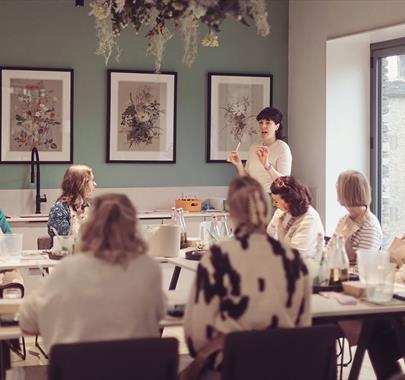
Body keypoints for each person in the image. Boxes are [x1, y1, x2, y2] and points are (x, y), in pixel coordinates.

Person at [183, 176, 310, 379]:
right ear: (268, 211)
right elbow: (303, 327)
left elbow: (196, 336)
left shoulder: (218, 258)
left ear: (232, 213)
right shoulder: (293, 260)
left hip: (231, 367)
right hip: (283, 366)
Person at [19, 193, 166, 352]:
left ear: (90, 225)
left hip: (79, 369)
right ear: (133, 226)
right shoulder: (149, 268)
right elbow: (160, 311)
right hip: (138, 369)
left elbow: (27, 321)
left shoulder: (69, 268)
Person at [227, 106, 292, 194]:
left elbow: (285, 183)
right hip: (253, 198)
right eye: (261, 123)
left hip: (273, 200)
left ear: (277, 126)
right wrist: (239, 165)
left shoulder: (282, 148)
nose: (263, 126)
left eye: (268, 123)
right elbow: (247, 181)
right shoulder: (254, 147)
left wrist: (267, 165)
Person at [327, 170, 382, 264]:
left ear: (347, 193)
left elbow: (364, 266)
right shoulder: (344, 220)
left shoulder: (370, 226)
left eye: (338, 187)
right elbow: (328, 252)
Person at [267, 176, 324, 259]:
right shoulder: (281, 211)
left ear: (289, 201)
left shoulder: (309, 219)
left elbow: (295, 256)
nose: (274, 204)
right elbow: (269, 237)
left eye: (276, 201)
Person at [48, 165, 96, 239]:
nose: (94, 184)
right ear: (81, 184)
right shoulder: (59, 209)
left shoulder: (87, 207)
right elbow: (64, 240)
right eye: (92, 180)